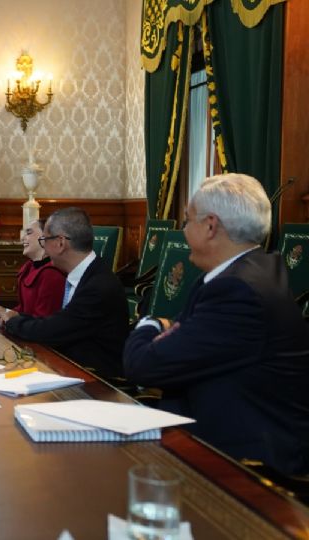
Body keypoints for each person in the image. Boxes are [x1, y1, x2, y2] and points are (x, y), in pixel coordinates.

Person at [124, 174, 309, 475]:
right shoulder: (252, 271)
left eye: (187, 221)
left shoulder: (238, 292)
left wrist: (150, 322)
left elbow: (143, 364)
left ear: (210, 226)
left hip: (241, 465)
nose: (184, 230)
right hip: (208, 435)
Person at [0, 207, 129, 378]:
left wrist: (12, 322)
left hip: (97, 382)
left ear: (60, 243)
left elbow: (54, 330)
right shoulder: (86, 274)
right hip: (71, 369)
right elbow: (58, 321)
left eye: (44, 239)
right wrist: (16, 317)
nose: (43, 245)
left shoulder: (98, 286)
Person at [0, 218, 66, 320]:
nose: (22, 238)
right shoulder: (29, 268)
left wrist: (9, 320)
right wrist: (3, 314)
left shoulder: (52, 274)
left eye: (29, 232)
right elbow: (24, 310)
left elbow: (42, 322)